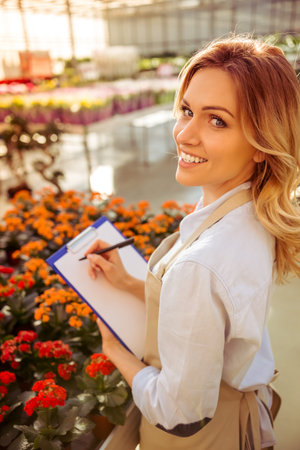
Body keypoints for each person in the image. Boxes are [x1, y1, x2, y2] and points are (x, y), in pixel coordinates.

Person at [86, 35, 300, 449]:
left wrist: (116, 351)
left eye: (216, 120)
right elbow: (219, 316)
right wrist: (132, 284)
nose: (184, 134)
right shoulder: (253, 215)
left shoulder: (200, 265)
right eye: (186, 110)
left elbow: (178, 411)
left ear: (262, 144)